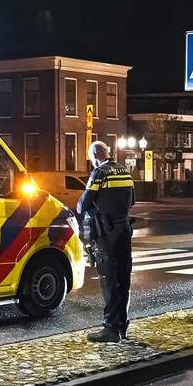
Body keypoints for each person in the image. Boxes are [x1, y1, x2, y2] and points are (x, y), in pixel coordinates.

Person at [78, 140, 135, 342]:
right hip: (124, 230)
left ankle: (110, 329)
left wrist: (94, 211)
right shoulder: (125, 172)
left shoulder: (99, 174)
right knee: (124, 279)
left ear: (95, 155)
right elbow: (132, 201)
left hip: (106, 233)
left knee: (109, 280)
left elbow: (82, 205)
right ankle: (122, 326)